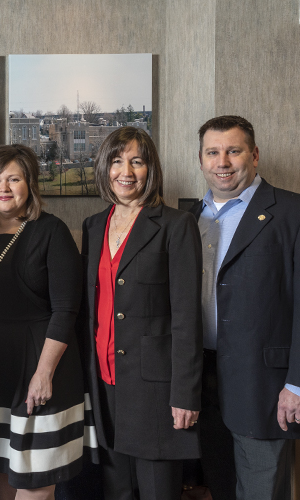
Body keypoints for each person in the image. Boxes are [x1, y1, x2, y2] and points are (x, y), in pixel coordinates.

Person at [80, 126, 202, 500]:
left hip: (156, 387)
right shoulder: (93, 225)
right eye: (117, 161)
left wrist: (186, 394)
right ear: (105, 168)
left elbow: (186, 317)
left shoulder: (176, 225)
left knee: (157, 491)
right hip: (104, 382)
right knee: (115, 490)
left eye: (137, 161)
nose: (126, 172)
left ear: (151, 169)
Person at [0, 144, 86, 499]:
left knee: (35, 484)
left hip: (41, 366)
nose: (3, 187)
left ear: (29, 183)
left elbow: (66, 311)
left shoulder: (52, 231)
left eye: (13, 178)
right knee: (5, 471)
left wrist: (44, 373)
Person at [192, 115, 300, 500]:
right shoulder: (190, 218)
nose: (223, 161)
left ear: (254, 155)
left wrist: (296, 383)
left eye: (233, 151)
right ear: (201, 159)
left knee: (261, 490)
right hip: (202, 382)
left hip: (266, 386)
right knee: (220, 484)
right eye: (213, 152)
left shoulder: (292, 212)